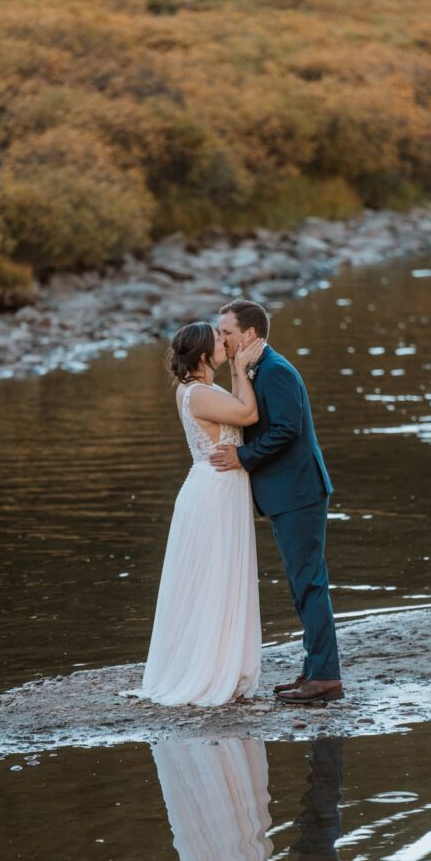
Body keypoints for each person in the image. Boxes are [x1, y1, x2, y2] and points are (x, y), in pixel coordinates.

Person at [212, 299, 343, 704]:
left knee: (310, 583)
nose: (222, 340)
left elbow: (288, 429)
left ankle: (325, 678)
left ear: (250, 334)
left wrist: (242, 457)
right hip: (287, 493)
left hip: (299, 492)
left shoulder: (277, 371)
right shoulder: (256, 369)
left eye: (226, 333)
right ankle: (314, 669)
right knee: (301, 583)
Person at [138, 321, 265, 706]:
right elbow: (247, 415)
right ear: (205, 355)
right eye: (218, 341)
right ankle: (209, 670)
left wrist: (237, 371)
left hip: (220, 488)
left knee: (221, 576)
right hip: (214, 492)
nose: (225, 343)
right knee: (214, 577)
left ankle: (222, 661)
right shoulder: (196, 393)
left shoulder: (200, 388)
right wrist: (242, 369)